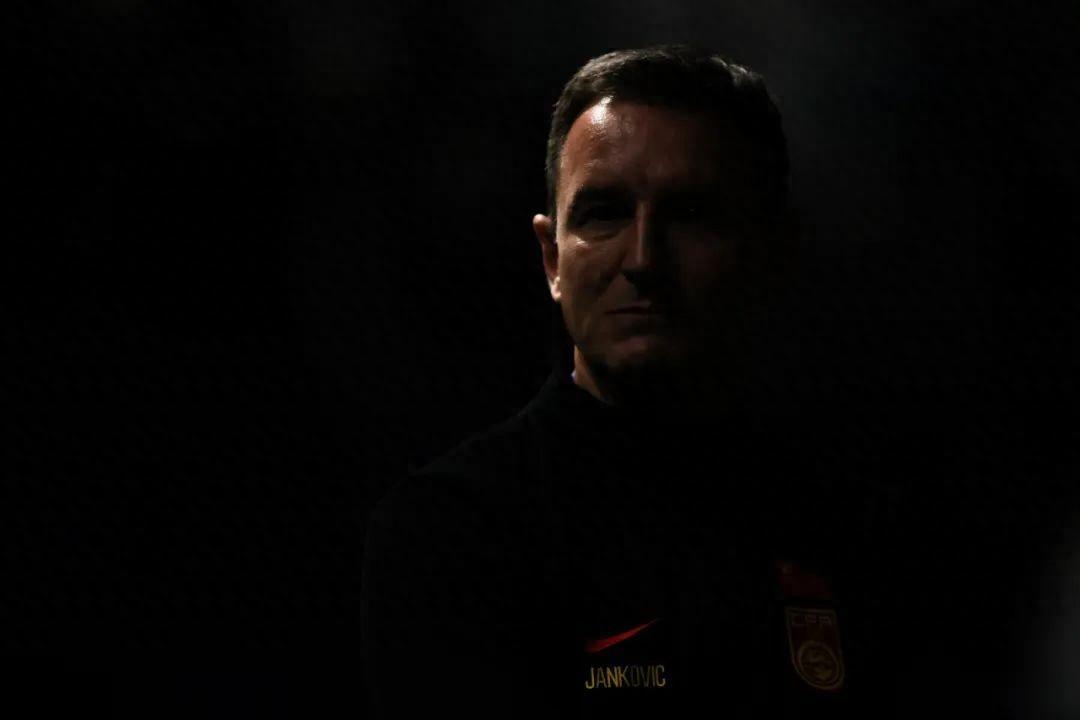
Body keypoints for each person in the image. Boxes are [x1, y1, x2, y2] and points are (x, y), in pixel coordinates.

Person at [361, 44, 1008, 719]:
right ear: (551, 258)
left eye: (691, 214)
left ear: (771, 249)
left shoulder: (872, 536)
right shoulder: (455, 533)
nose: (643, 257)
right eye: (604, 212)